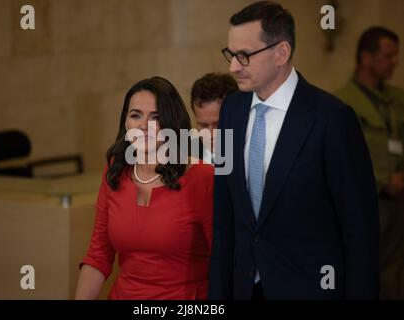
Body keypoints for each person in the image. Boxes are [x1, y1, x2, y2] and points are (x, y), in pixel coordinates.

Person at [208, 1, 379, 300]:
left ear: (281, 53)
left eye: (244, 55)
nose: (233, 66)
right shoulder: (231, 112)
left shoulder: (332, 118)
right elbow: (225, 220)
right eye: (231, 54)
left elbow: (360, 231)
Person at [75, 76, 214, 300]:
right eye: (135, 115)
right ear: (125, 123)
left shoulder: (203, 178)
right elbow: (98, 254)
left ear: (172, 123)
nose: (143, 125)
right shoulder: (115, 171)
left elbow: (225, 262)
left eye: (155, 117)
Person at [336, 27, 404, 299]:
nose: (394, 62)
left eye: (396, 56)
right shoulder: (342, 102)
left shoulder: (398, 100)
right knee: (362, 270)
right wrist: (383, 180)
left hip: (399, 201)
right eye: (388, 56)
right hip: (365, 200)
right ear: (366, 57)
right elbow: (342, 157)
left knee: (395, 273)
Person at [190, 73, 238, 164]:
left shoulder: (250, 156)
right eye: (203, 126)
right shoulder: (184, 157)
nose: (210, 135)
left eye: (218, 124)